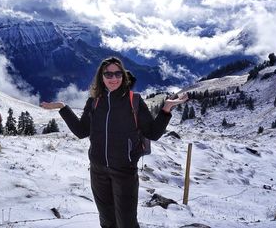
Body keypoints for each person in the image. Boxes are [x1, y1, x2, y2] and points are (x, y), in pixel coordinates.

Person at [41, 56, 188, 228]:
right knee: (107, 221)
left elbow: (153, 133)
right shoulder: (94, 101)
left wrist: (166, 109)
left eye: (118, 73)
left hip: (125, 172)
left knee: (127, 222)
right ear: (101, 77)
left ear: (123, 76)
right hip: (97, 171)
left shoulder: (134, 100)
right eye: (108, 74)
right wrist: (62, 107)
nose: (114, 78)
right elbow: (81, 131)